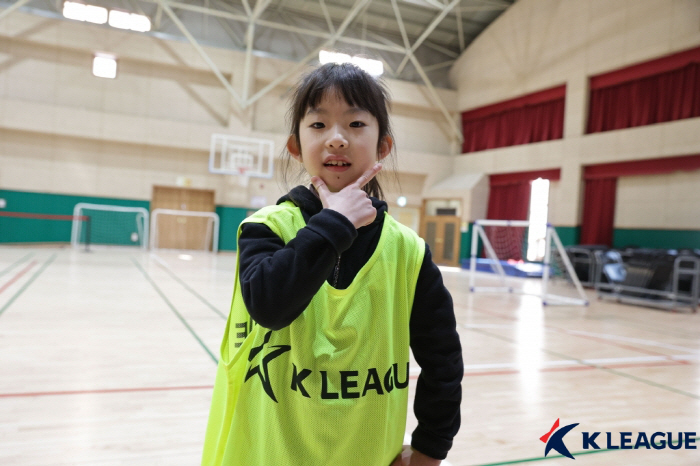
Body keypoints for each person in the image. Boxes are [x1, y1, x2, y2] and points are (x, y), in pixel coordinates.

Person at [202, 62, 463, 466]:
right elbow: (271, 306)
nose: (337, 139)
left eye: (356, 124)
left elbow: (443, 360)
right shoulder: (264, 229)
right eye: (319, 125)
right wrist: (335, 223)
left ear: (383, 146)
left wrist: (431, 447)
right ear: (295, 146)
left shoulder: (409, 251)